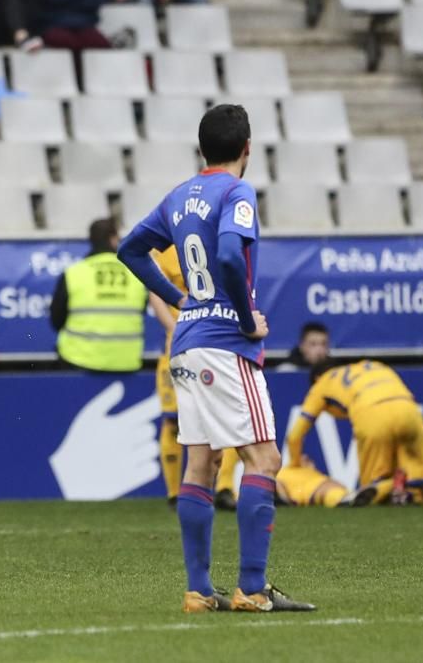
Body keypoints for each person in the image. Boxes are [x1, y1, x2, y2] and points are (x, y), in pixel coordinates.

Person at [118, 104, 315, 613]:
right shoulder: (237, 191)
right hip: (225, 342)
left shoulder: (179, 196)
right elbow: (229, 254)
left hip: (184, 342)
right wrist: (247, 319)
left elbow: (130, 250)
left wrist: (179, 299)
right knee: (264, 459)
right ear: (247, 148)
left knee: (201, 463)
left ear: (202, 150)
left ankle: (200, 590)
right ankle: (252, 587)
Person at [285, 360, 423, 507]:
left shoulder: (322, 384)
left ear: (317, 377)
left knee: (372, 492)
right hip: (408, 409)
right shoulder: (373, 365)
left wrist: (295, 465)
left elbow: (295, 436)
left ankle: (386, 486)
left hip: (371, 416)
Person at [151, 245, 241, 511]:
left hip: (215, 343)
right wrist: (176, 331)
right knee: (173, 420)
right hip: (176, 347)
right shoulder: (161, 252)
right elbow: (155, 295)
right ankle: (174, 494)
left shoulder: (217, 244)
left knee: (227, 418)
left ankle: (224, 488)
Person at [51, 218, 149, 373]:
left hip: (78, 362)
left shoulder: (74, 273)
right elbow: (141, 310)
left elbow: (56, 320)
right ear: (113, 239)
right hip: (126, 362)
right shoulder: (134, 273)